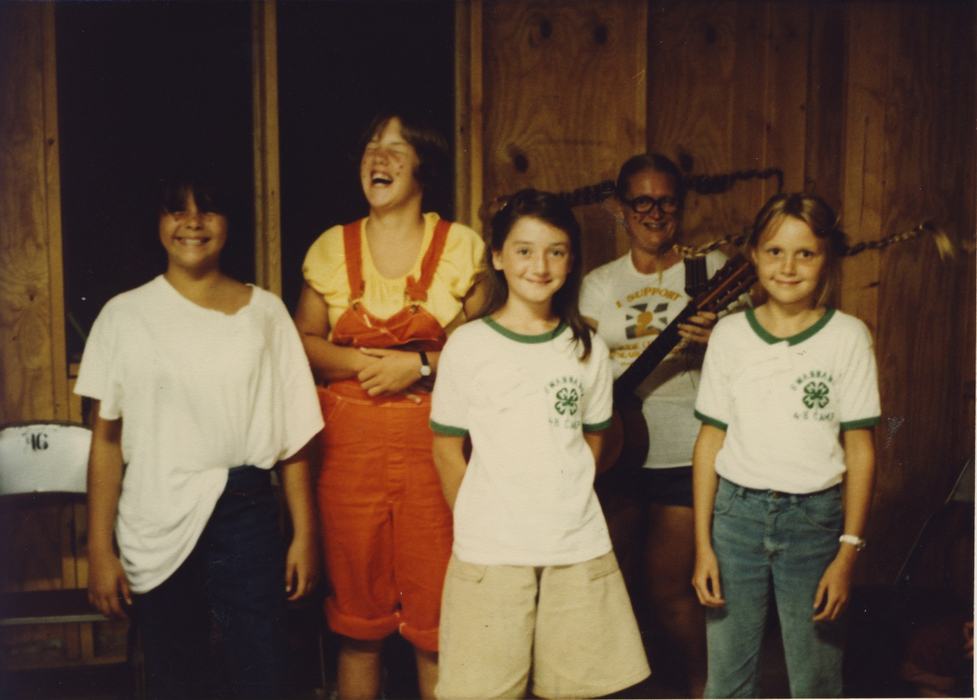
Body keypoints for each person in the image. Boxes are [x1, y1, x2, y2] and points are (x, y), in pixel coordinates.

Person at [80, 176, 323, 700]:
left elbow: (294, 438)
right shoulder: (123, 316)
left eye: (207, 211)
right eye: (176, 210)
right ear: (158, 223)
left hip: (247, 512)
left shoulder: (266, 313)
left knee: (263, 671)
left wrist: (304, 534)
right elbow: (105, 445)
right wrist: (100, 549)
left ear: (229, 223)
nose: (192, 222)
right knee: (176, 674)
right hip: (154, 514)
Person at [429, 189, 651, 699]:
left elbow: (596, 442)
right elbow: (446, 449)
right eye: (524, 250)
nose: (540, 264)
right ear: (499, 257)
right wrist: (478, 517)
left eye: (556, 250)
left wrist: (562, 501)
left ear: (571, 260)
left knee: (578, 689)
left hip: (575, 547)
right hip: (491, 551)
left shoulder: (587, 347)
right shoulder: (469, 345)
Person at [294, 110, 485, 700]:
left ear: (424, 163)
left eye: (396, 149)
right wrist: (364, 365)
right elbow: (302, 342)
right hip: (349, 456)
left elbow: (489, 345)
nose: (379, 159)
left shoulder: (462, 245)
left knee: (436, 626)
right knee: (359, 625)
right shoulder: (330, 247)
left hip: (437, 452)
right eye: (371, 148)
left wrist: (420, 366)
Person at [691, 192, 879, 698]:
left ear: (827, 258)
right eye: (775, 252)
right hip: (736, 519)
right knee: (728, 679)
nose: (788, 267)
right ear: (752, 254)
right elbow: (711, 439)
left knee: (815, 678)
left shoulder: (848, 337)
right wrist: (703, 544)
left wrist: (847, 554)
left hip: (814, 522)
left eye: (806, 253)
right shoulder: (730, 336)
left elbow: (859, 448)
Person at [579, 152, 723, 696]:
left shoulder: (711, 271)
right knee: (612, 586)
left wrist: (723, 340)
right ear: (622, 208)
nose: (655, 211)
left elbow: (749, 365)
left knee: (670, 592)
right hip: (615, 450)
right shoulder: (599, 283)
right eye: (642, 200)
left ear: (680, 207)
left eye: (666, 200)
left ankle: (702, 687)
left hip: (685, 452)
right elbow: (582, 365)